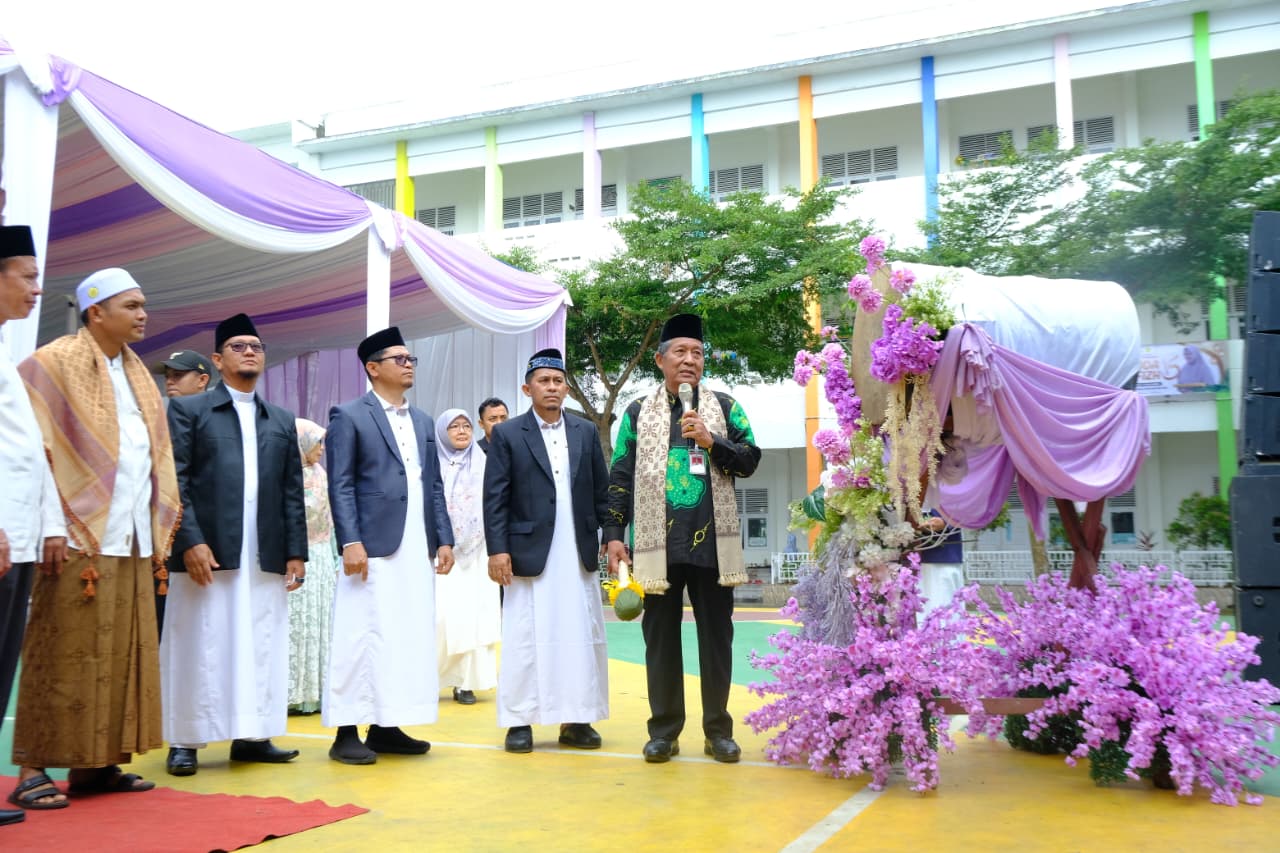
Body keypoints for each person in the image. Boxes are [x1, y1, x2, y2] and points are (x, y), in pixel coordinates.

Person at [11, 267, 182, 809]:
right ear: (96, 312)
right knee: (59, 650)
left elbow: (147, 457)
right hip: (74, 535)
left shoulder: (137, 375)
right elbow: (32, 451)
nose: (142, 315)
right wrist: (52, 525)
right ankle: (33, 767)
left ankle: (95, 766)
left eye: (143, 305)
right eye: (131, 306)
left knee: (118, 653)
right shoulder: (50, 363)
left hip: (129, 536)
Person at [604, 313, 760, 764]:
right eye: (680, 352)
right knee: (661, 642)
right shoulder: (636, 413)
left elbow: (750, 460)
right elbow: (619, 474)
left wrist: (713, 442)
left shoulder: (726, 407)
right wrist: (614, 534)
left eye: (697, 353)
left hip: (714, 546)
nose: (689, 360)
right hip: (657, 551)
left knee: (717, 641)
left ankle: (718, 731)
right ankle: (664, 730)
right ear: (660, 360)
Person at [161, 313, 308, 777]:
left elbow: (291, 490)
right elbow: (174, 481)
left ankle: (253, 735)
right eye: (239, 346)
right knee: (197, 641)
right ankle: (185, 739)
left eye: (256, 347)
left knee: (259, 640)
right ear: (217, 360)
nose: (250, 352)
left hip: (263, 550)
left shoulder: (280, 420)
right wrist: (190, 541)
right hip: (208, 551)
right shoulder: (189, 411)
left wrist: (295, 552)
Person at [323, 327, 455, 765]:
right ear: (373, 367)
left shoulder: (421, 420)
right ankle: (345, 731)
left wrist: (444, 538)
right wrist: (351, 541)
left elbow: (432, 485)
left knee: (405, 635)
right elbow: (339, 483)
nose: (409, 364)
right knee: (360, 635)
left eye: (411, 357)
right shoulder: (348, 414)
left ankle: (386, 725)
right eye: (399, 358)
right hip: (372, 546)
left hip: (415, 546)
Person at [483, 348, 609, 754]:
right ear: (527, 388)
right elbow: (495, 498)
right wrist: (498, 550)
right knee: (524, 636)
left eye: (558, 381)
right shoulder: (507, 434)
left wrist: (613, 536)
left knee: (580, 634)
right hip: (526, 553)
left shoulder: (585, 431)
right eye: (544, 381)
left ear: (566, 388)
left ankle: (577, 719)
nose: (552, 387)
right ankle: (519, 721)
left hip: (577, 551)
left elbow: (601, 491)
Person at [0, 226, 67, 826]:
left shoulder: (5, 353)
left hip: (17, 537)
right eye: (26, 274)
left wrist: (48, 525)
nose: (37, 288)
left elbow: (31, 452)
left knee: (2, 662)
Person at [435, 409, 500, 705]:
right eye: (453, 427)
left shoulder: (485, 463)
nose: (462, 431)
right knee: (442, 617)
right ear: (441, 432)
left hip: (478, 552)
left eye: (465, 426)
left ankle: (467, 683)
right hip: (442, 553)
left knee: (475, 616)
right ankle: (431, 678)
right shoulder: (433, 465)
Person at [288, 418, 340, 714]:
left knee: (319, 624)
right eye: (317, 442)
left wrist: (334, 557)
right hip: (296, 558)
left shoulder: (320, 474)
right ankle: (292, 693)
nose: (321, 449)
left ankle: (315, 693)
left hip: (320, 558)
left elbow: (329, 521)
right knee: (296, 624)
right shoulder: (288, 477)